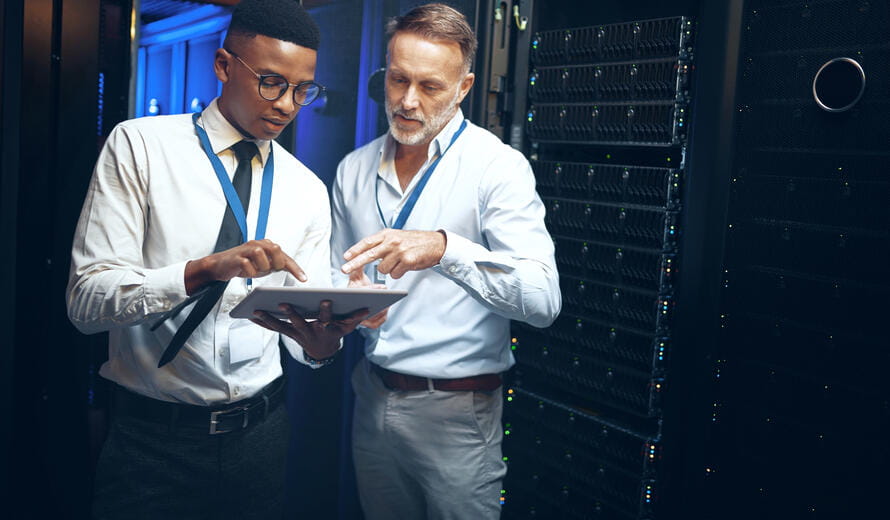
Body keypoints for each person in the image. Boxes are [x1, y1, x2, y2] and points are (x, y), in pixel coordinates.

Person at [66, 1, 364, 518]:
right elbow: (86, 303)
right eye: (271, 82)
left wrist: (323, 343)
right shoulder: (140, 147)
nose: (288, 104)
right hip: (151, 442)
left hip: (263, 437)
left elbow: (304, 343)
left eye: (302, 90)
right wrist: (205, 269)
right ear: (224, 66)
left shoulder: (307, 189)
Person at [330, 3, 562, 518]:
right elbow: (336, 274)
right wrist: (348, 307)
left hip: (459, 414)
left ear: (463, 87)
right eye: (397, 80)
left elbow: (544, 300)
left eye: (430, 86)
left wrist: (444, 248)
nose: (407, 101)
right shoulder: (353, 169)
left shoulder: (496, 169)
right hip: (371, 396)